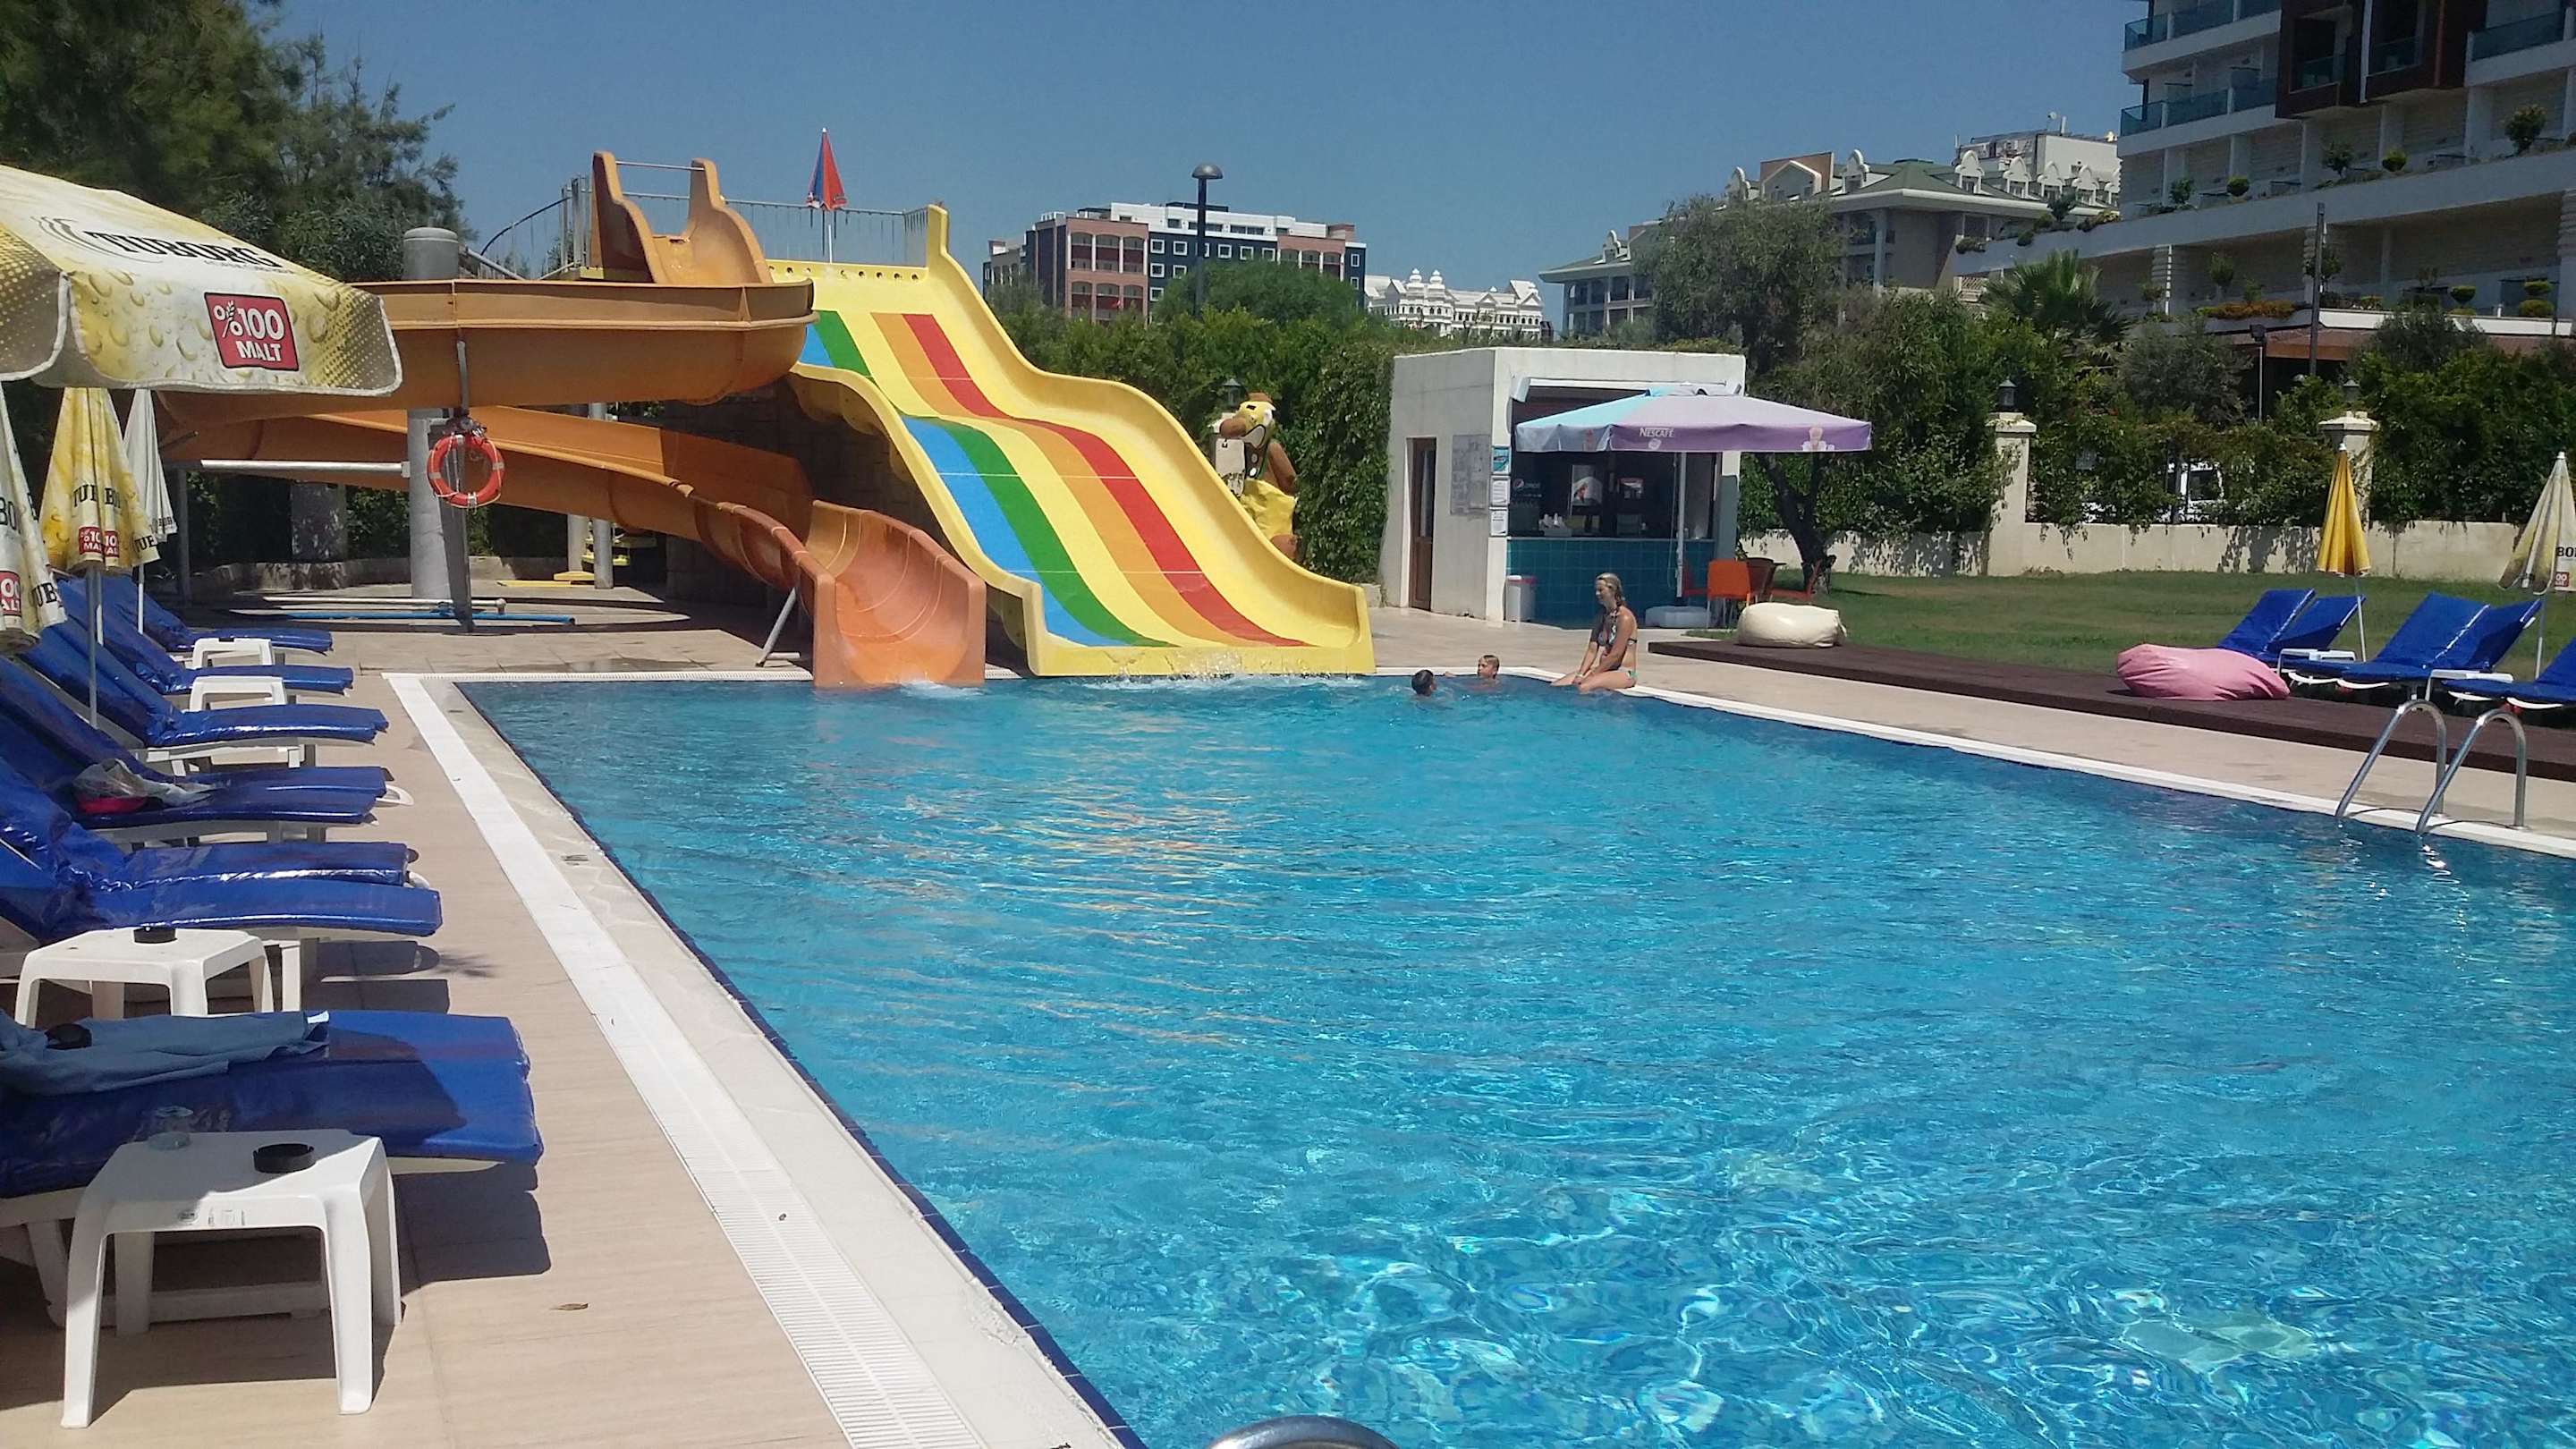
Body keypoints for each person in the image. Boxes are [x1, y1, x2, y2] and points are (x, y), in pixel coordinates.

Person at [1554, 573, 1638, 693]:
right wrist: (1581, 674)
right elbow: (1592, 650)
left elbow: (1616, 655)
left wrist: (1592, 675)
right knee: (1558, 685)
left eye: (1601, 590)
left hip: (1624, 672)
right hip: (1604, 670)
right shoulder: (1601, 617)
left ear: (1612, 590)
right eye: (1596, 590)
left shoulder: (1625, 618)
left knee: (1584, 687)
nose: (1597, 594)